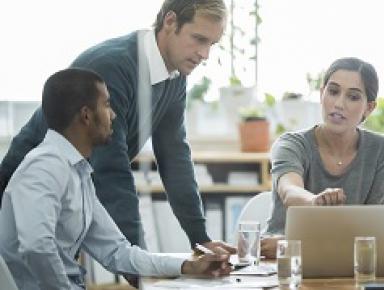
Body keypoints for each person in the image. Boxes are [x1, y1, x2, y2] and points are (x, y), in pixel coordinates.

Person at [0, 0, 234, 255]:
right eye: (199, 39)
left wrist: (200, 240)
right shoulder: (112, 67)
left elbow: (175, 156)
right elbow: (111, 167)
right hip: (28, 194)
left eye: (212, 44)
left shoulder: (175, 77)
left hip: (71, 196)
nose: (205, 54)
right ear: (170, 22)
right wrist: (140, 262)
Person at [0, 68, 232, 290]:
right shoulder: (44, 167)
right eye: (107, 104)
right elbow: (37, 247)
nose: (114, 115)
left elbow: (118, 252)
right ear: (86, 115)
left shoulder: (77, 171)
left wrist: (188, 266)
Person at [261, 57, 384, 258]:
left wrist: (297, 244)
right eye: (333, 92)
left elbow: (371, 230)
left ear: (369, 108)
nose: (339, 104)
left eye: (353, 97)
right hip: (281, 257)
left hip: (342, 258)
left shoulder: (383, 151)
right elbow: (289, 191)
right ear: (321, 93)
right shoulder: (290, 144)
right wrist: (316, 202)